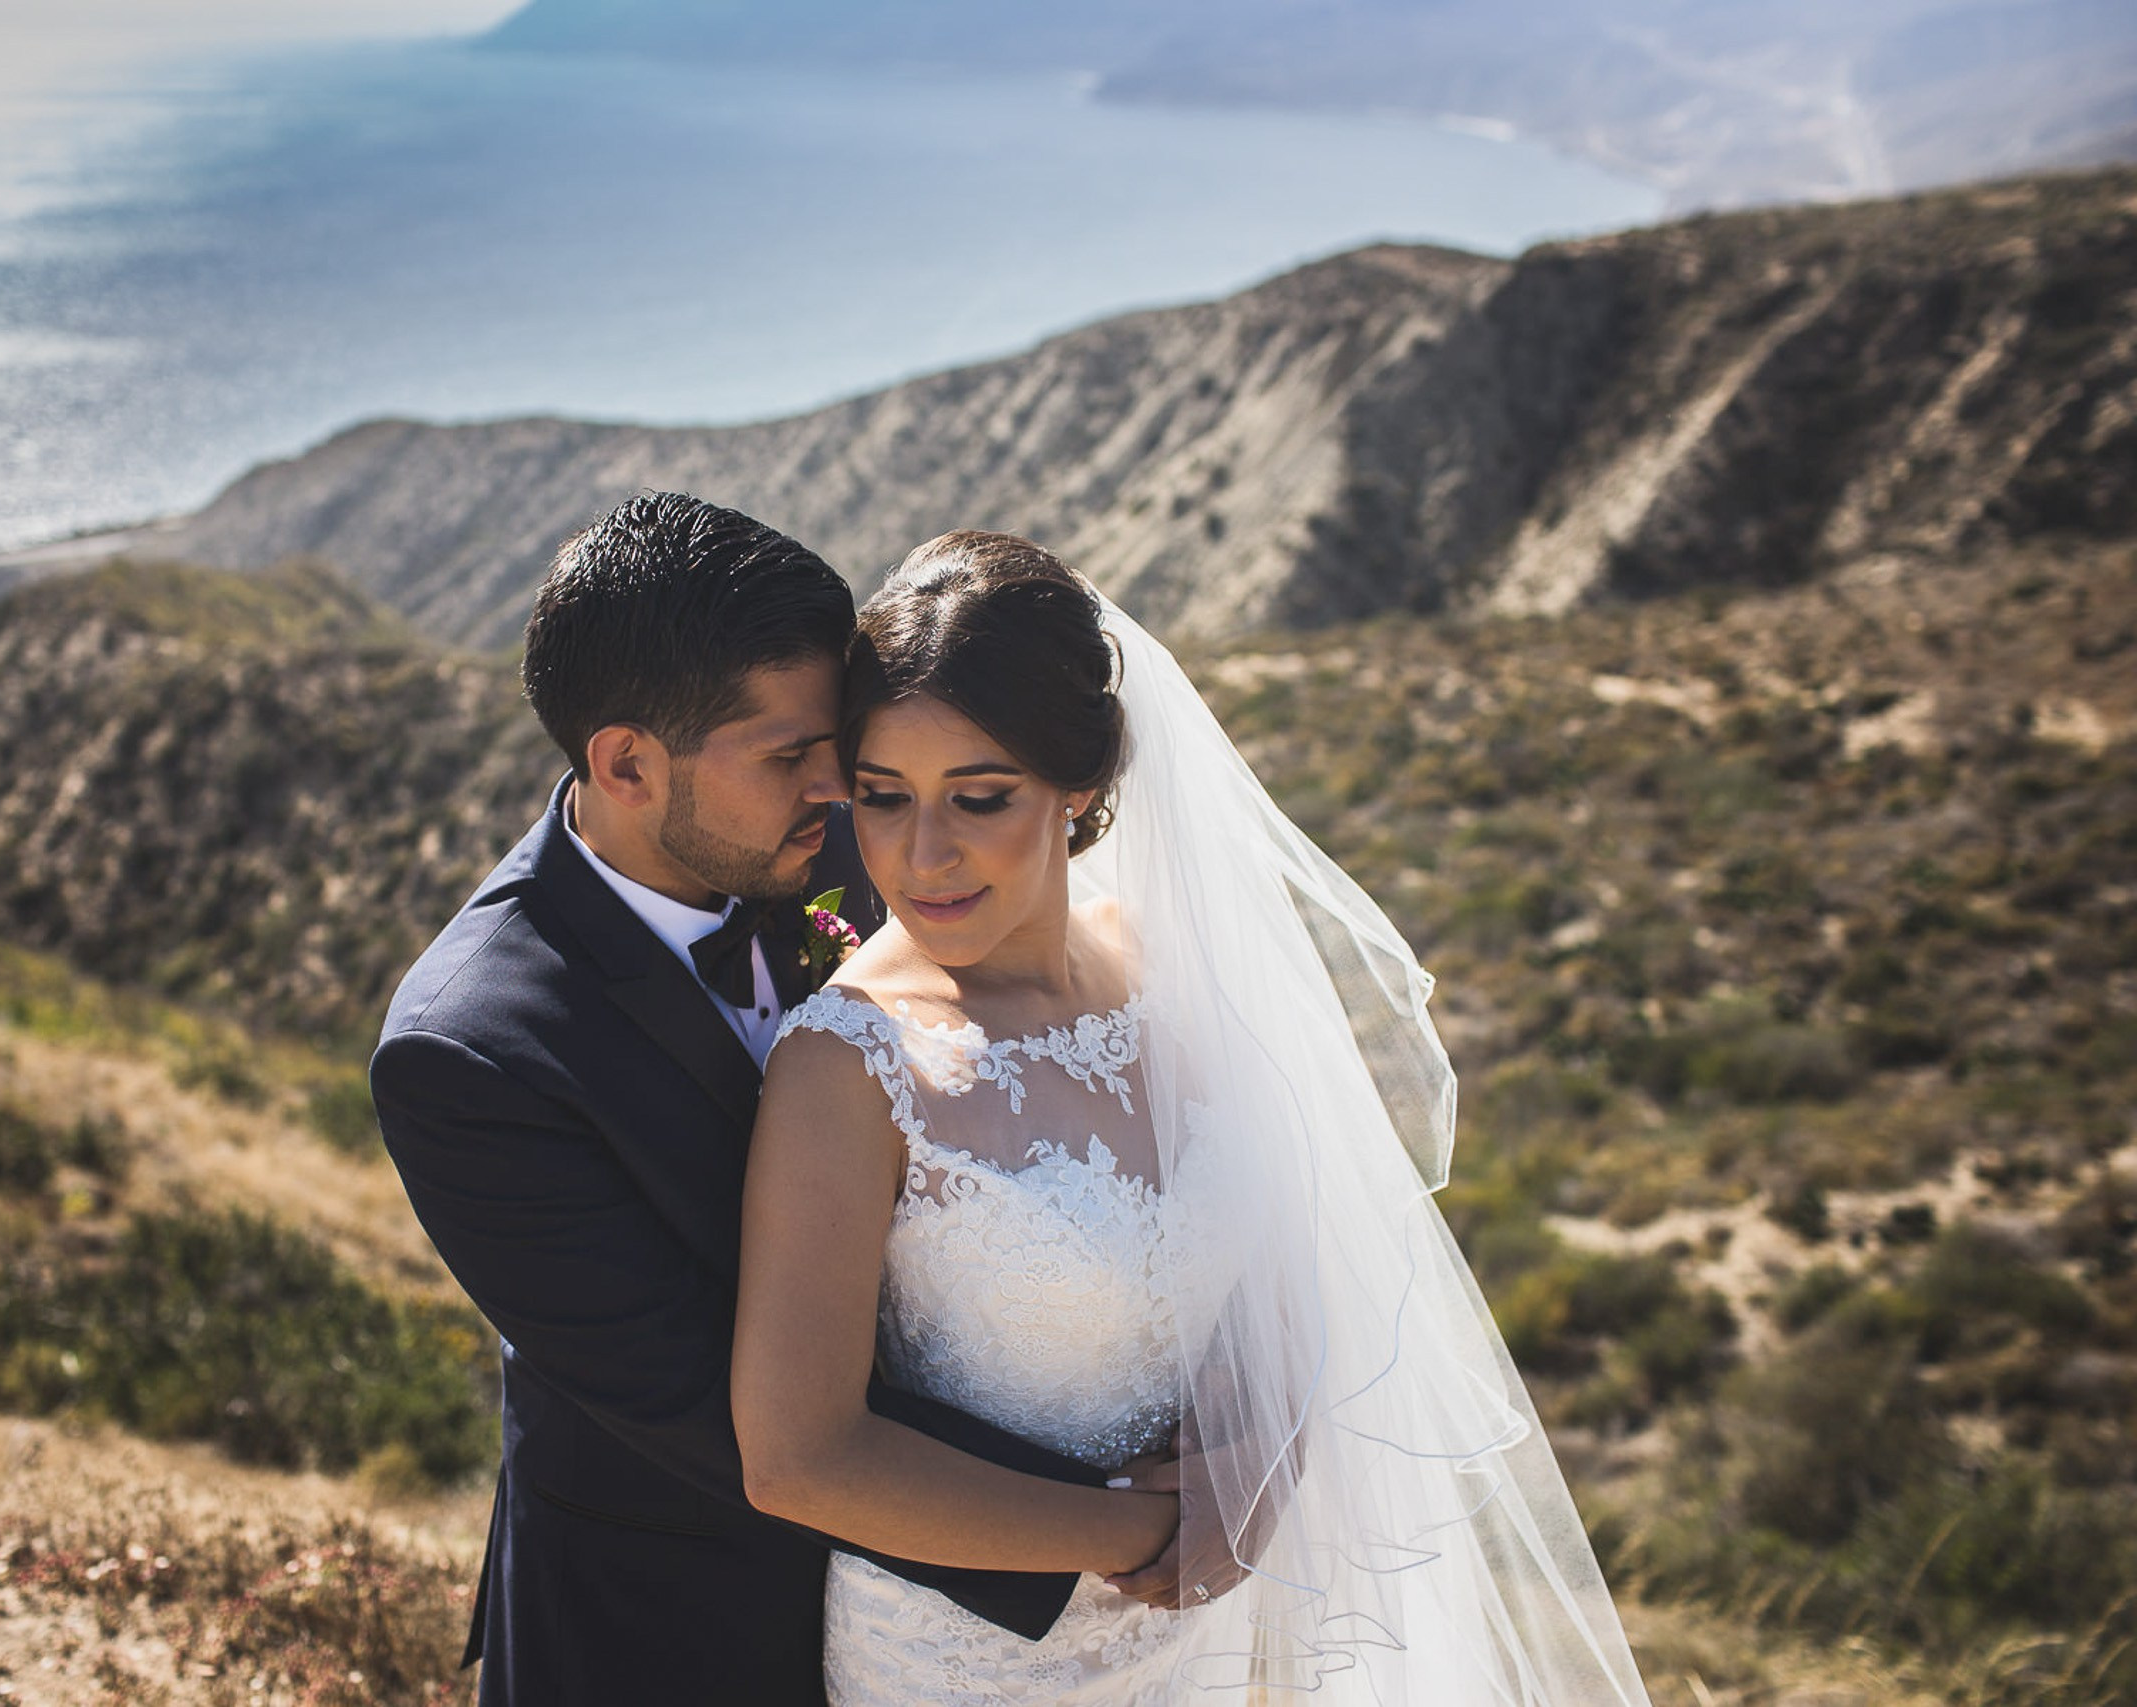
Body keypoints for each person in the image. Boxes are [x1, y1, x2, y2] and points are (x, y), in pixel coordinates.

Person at [733, 531, 1652, 1702]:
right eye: (882, 798)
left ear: (1082, 785)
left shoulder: (1180, 965)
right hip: (966, 1661)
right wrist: (1145, 1532)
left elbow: (1298, 1253)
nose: (924, 854)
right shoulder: (846, 1062)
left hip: (1203, 1634)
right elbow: (799, 1459)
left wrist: (1263, 1469)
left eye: (980, 797)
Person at [369, 494, 1168, 1707]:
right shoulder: (471, 1054)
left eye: (838, 745)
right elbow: (726, 1422)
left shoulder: (864, 833)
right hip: (672, 1632)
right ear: (628, 764)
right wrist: (1122, 1522)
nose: (848, 789)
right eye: (793, 755)